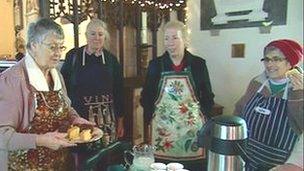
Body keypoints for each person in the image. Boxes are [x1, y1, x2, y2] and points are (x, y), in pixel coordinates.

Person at [0, 18, 99, 171]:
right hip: (25, 166)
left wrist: (77, 120)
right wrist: (40, 140)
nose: (58, 53)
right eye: (52, 47)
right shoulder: (13, 80)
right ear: (33, 45)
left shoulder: (56, 74)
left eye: (61, 47)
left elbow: (66, 109)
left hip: (61, 163)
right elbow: (2, 136)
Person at [140, 20, 215, 170]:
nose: (170, 43)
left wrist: (202, 119)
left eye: (175, 37)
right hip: (163, 132)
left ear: (185, 40)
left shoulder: (198, 64)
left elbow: (208, 97)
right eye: (166, 38)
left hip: (192, 131)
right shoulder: (155, 65)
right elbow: (146, 96)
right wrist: (152, 120)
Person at [234, 39, 303, 171]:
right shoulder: (257, 83)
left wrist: (298, 96)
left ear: (290, 62)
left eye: (276, 59)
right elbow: (240, 110)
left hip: (278, 163)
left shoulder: (300, 88)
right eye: (267, 59)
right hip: (247, 157)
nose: (270, 64)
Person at [61, 19, 124, 144]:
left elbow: (119, 91)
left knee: (105, 155)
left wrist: (120, 121)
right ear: (86, 35)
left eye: (100, 34)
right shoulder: (73, 56)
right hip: (79, 117)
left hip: (106, 118)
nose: (97, 38)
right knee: (81, 156)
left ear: (104, 36)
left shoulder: (111, 60)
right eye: (92, 34)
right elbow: (63, 87)